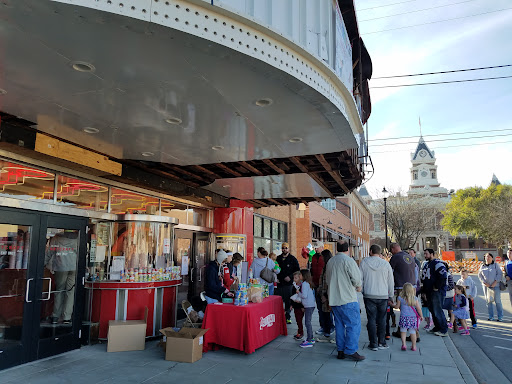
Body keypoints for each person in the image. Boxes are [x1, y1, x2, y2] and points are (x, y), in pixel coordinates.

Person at [326, 240, 365, 361]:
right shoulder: (348, 260)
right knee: (353, 325)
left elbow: (327, 280)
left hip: (334, 298)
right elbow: (357, 279)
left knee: (339, 325)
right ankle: (351, 349)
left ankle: (341, 350)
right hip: (347, 297)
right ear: (348, 249)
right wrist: (358, 285)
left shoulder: (330, 261)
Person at [359, 244, 394, 351]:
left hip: (369, 294)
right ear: (380, 253)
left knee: (371, 319)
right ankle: (382, 342)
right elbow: (390, 281)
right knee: (382, 319)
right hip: (383, 295)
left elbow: (360, 279)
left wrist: (361, 290)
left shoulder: (364, 263)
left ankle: (373, 343)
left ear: (370, 251)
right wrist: (391, 295)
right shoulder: (385, 264)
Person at [45, 231, 78, 324]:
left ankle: (56, 315)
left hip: (61, 267)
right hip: (74, 267)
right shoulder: (77, 238)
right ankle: (67, 317)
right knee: (70, 291)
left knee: (59, 290)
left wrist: (42, 263)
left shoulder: (56, 238)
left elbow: (49, 253)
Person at [389, 243, 419, 339]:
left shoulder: (395, 257)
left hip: (401, 286)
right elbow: (416, 271)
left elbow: (390, 272)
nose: (391, 252)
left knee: (404, 310)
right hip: (412, 286)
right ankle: (414, 332)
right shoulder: (409, 256)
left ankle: (404, 331)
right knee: (411, 309)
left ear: (394, 249)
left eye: (391, 250)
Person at [421, 248, 448, 336]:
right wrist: (424, 291)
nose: (425, 255)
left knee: (437, 310)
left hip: (437, 292)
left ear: (432, 254)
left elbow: (443, 276)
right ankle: (437, 327)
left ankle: (443, 330)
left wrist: (436, 287)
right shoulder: (426, 265)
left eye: (426, 254)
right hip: (429, 291)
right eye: (424, 254)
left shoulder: (437, 263)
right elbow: (425, 278)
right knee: (432, 310)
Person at [392, 283, 422, 351]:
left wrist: (392, 305)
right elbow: (418, 308)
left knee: (403, 331)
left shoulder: (400, 298)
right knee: (412, 331)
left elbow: (397, 307)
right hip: (412, 318)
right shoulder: (415, 298)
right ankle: (414, 346)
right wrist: (421, 316)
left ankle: (404, 344)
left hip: (404, 317)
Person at [276, 243, 300, 324]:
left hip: (289, 284)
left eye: (286, 248)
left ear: (288, 249)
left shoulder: (293, 259)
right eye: (283, 248)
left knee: (288, 301)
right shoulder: (278, 258)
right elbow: (275, 269)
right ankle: (279, 317)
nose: (284, 250)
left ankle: (288, 317)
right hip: (279, 283)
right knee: (278, 301)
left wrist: (290, 277)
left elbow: (297, 270)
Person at [478, 253, 503, 321]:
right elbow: (480, 275)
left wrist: (495, 282)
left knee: (497, 301)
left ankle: (500, 317)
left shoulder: (495, 265)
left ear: (492, 258)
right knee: (488, 302)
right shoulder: (482, 266)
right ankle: (491, 316)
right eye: (486, 257)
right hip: (486, 287)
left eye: (489, 257)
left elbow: (500, 274)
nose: (487, 258)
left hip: (496, 286)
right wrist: (484, 282)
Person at [316, 249, 334, 340]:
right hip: (322, 292)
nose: (321, 258)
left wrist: (325, 295)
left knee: (327, 312)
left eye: (322, 257)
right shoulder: (325, 266)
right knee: (323, 312)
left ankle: (329, 329)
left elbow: (328, 282)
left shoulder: (329, 267)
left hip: (327, 294)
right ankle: (326, 328)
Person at [310, 242, 326, 335]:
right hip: (315, 284)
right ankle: (322, 326)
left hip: (323, 285)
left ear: (322, 247)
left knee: (326, 307)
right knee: (319, 307)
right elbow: (312, 270)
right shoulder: (314, 257)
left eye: (317, 248)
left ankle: (329, 326)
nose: (316, 250)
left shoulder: (325, 257)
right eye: (315, 248)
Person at [297, 269, 316, 348]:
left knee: (307, 322)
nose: (299, 276)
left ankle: (309, 339)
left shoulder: (304, 284)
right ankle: (310, 337)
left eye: (300, 275)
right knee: (308, 321)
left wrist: (298, 293)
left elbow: (304, 295)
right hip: (310, 305)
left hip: (308, 305)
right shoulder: (308, 283)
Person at [291, 271, 305, 341]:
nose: (294, 279)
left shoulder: (302, 286)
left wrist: (302, 306)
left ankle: (301, 332)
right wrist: (291, 305)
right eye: (294, 278)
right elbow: (292, 294)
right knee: (297, 319)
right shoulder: (294, 286)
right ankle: (299, 331)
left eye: (296, 278)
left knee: (299, 319)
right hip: (296, 305)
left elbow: (304, 297)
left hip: (300, 305)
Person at [443, 264, 456, 331]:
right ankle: (445, 324)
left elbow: (451, 285)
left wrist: (444, 289)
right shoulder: (442, 274)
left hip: (449, 296)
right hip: (444, 295)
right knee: (444, 311)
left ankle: (453, 325)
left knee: (450, 311)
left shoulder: (448, 275)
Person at [504, 249, 512, 322]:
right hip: (509, 282)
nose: (509, 254)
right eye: (508, 253)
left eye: (510, 253)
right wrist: (506, 276)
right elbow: (505, 272)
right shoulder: (506, 262)